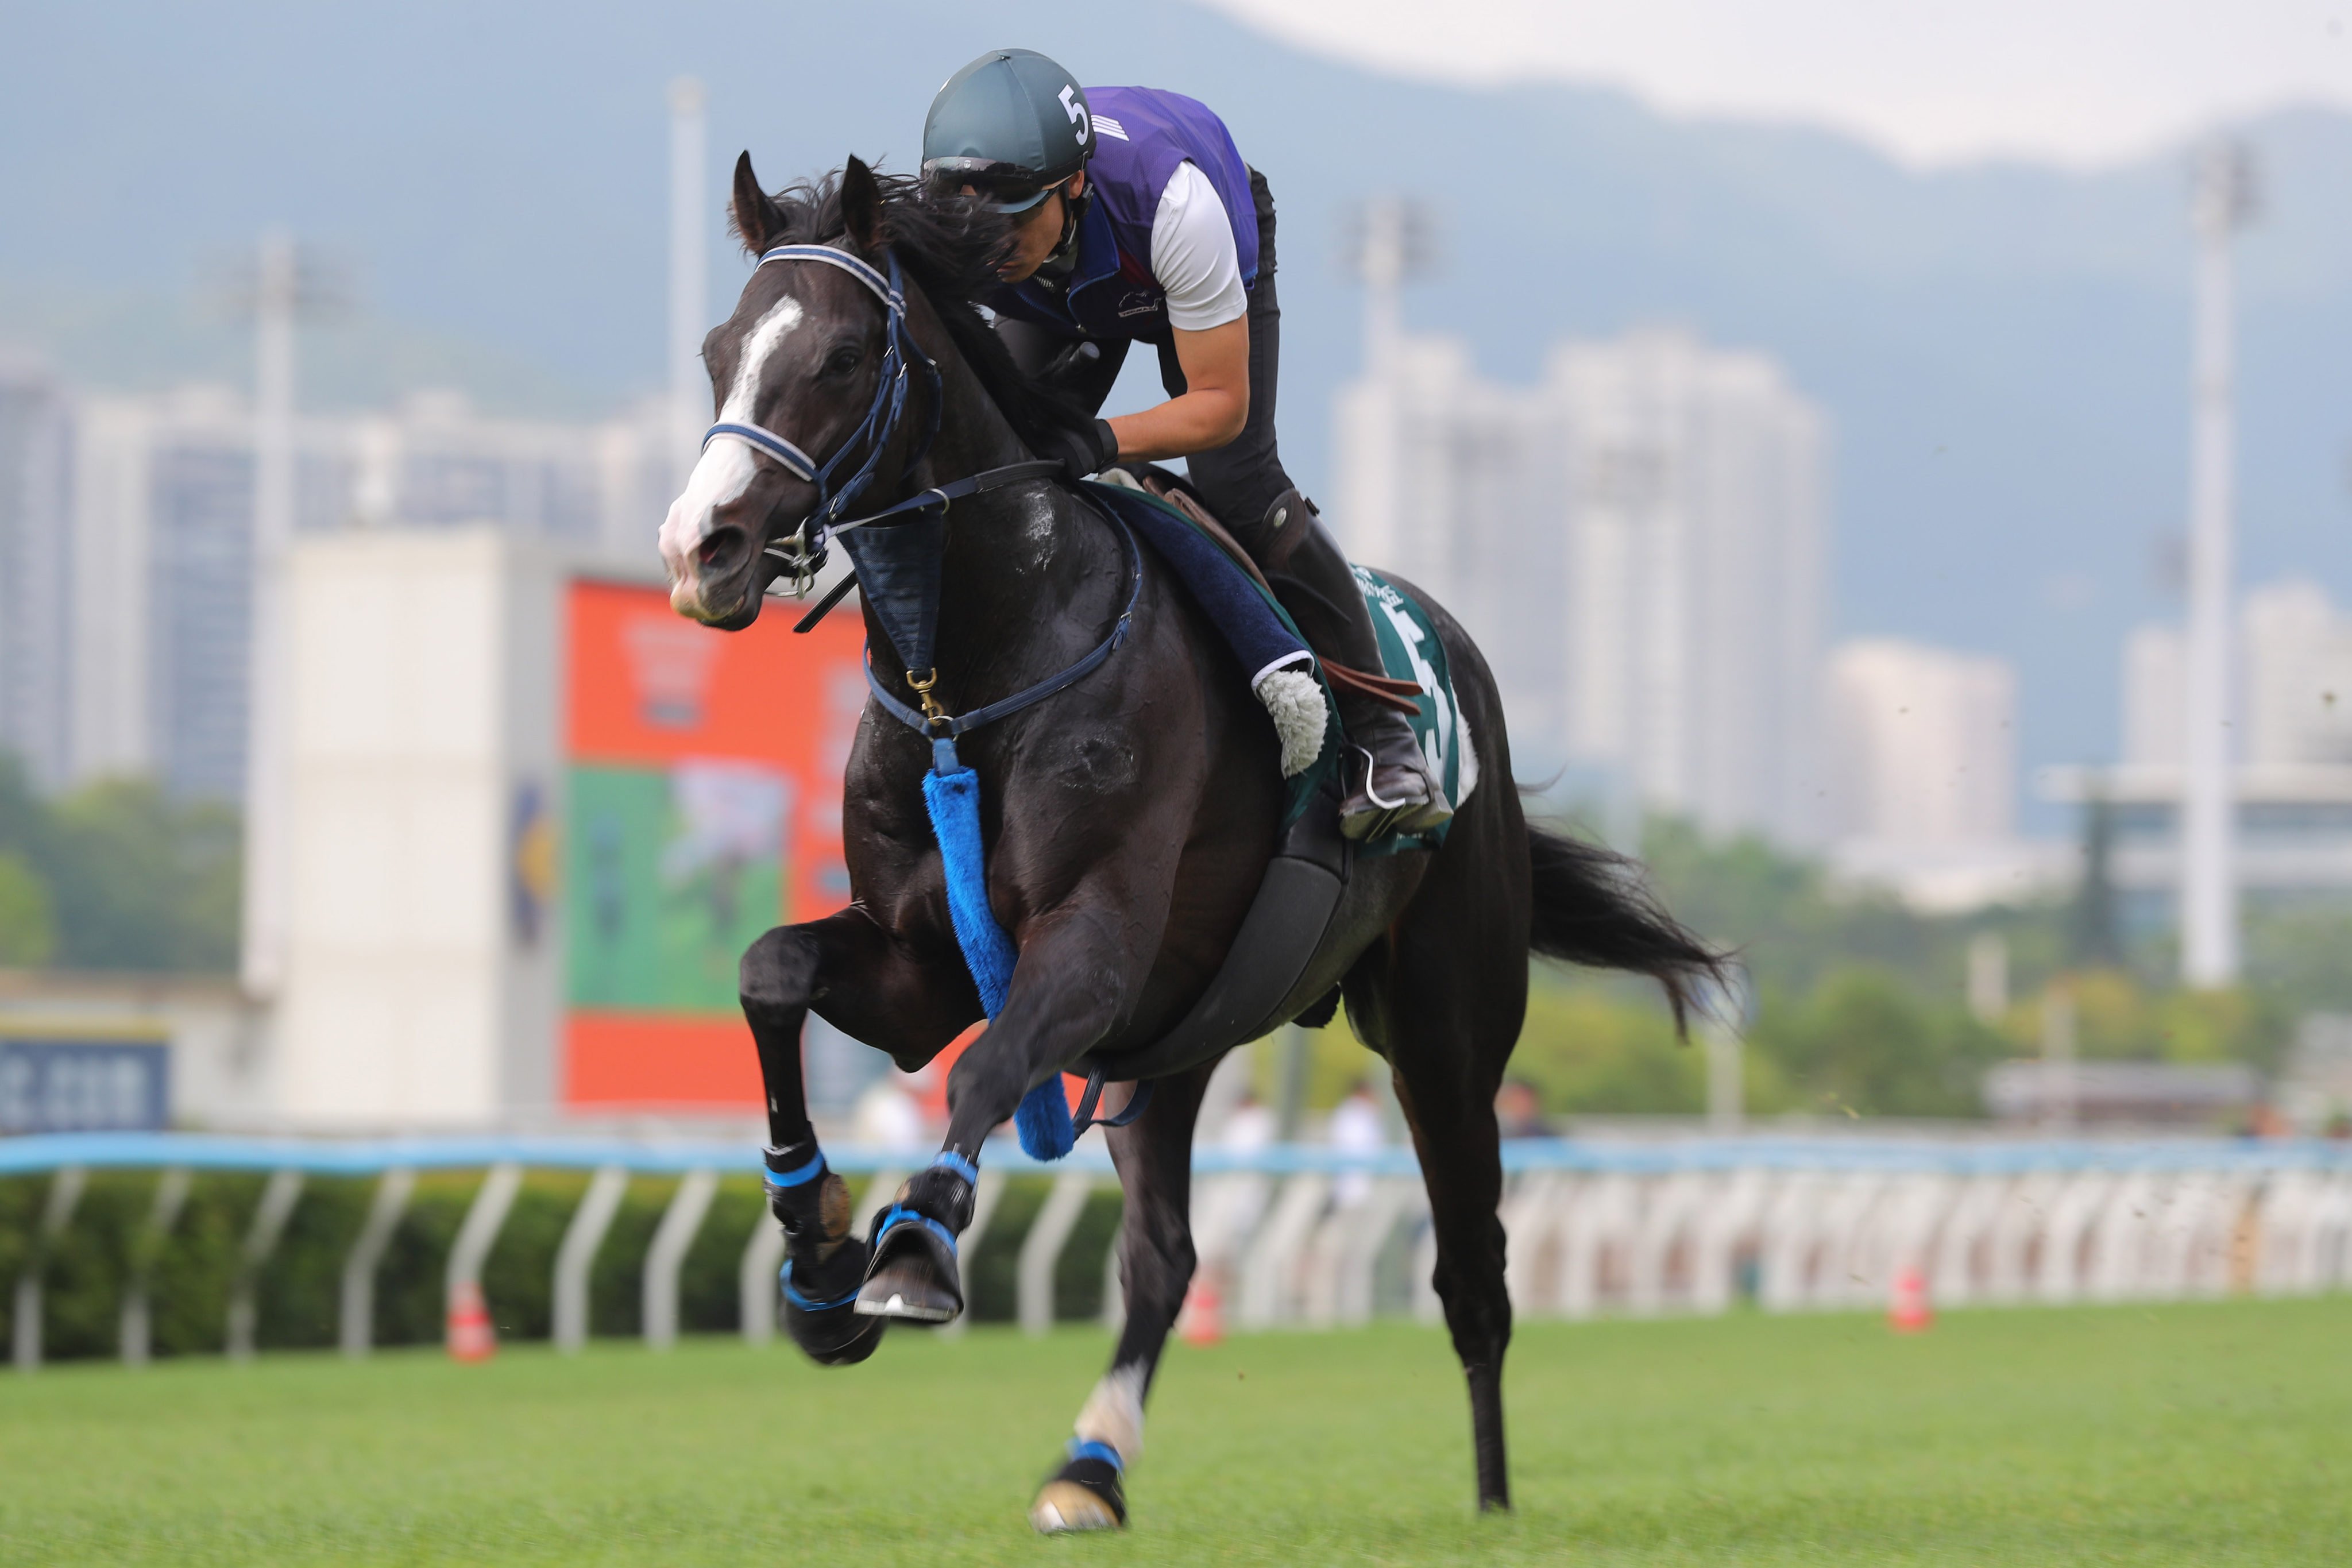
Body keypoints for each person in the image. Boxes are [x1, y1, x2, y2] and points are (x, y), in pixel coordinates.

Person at [920, 49, 1447, 842]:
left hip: (1165, 253)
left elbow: (1220, 407)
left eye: (1015, 218)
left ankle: (1384, 737)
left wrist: (1102, 439)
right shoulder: (956, 229)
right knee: (1003, 465)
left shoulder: (1177, 207)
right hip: (1072, 284)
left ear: (1072, 182)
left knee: (1241, 486)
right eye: (973, 226)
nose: (993, 246)